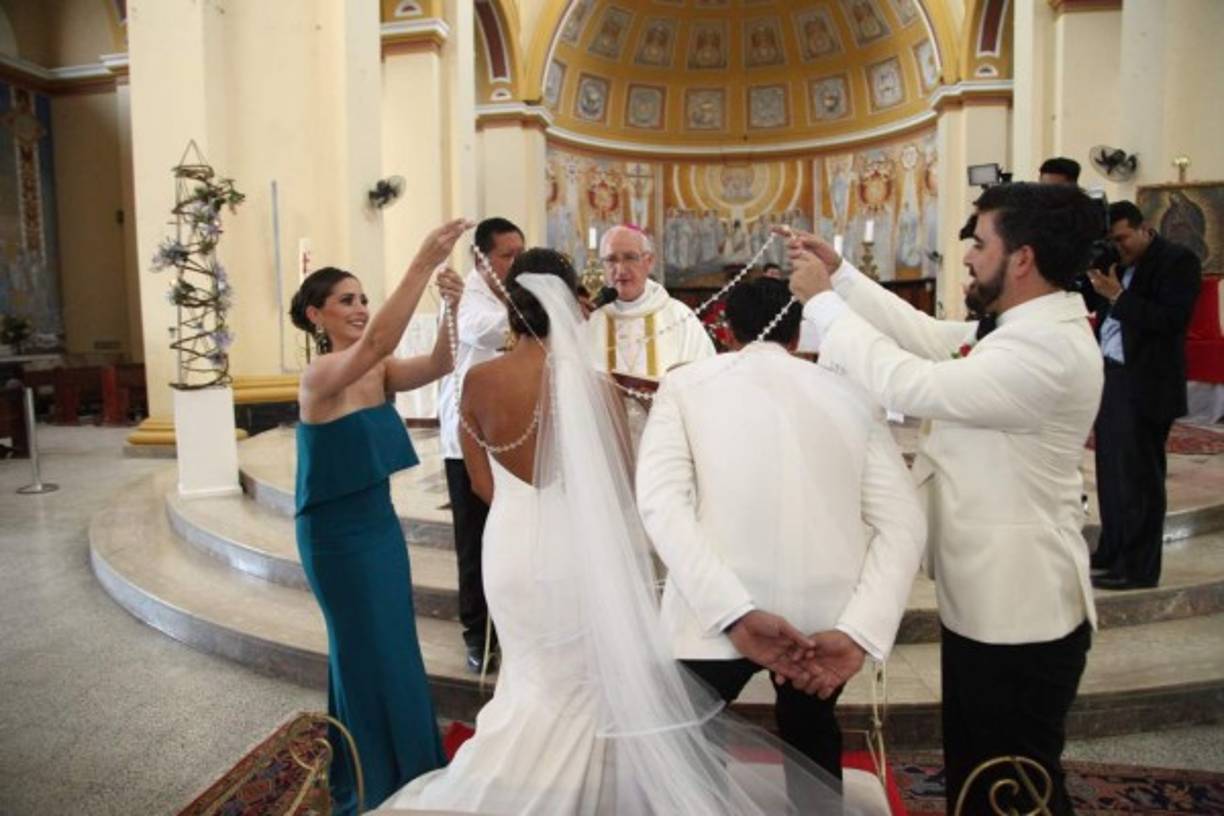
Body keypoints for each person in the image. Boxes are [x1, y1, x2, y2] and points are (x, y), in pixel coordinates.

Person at [383, 249, 846, 814]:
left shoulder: (478, 381)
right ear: (572, 301)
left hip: (507, 549)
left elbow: (480, 484)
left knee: (529, 674)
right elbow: (628, 488)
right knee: (583, 682)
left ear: (512, 304)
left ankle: (509, 780)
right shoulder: (595, 388)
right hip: (577, 553)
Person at [786, 182, 1104, 815]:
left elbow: (914, 381)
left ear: (1021, 258)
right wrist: (843, 275)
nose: (966, 256)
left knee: (1014, 787)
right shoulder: (1021, 328)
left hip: (1021, 609)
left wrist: (823, 306)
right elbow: (929, 336)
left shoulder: (1045, 349)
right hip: (992, 599)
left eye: (979, 243)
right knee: (980, 775)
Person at [636, 277, 926, 782]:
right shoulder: (853, 395)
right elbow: (903, 522)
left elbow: (662, 504)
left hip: (712, 613)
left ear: (726, 329)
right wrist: (859, 631)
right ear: (798, 334)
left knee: (694, 753)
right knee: (811, 734)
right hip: (823, 623)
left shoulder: (685, 386)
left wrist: (734, 613)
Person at [290, 218, 471, 815]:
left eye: (364, 298)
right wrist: (421, 262)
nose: (361, 308)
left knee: (394, 644)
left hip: (379, 527)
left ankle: (405, 760)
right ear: (316, 315)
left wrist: (450, 305)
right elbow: (375, 344)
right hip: (335, 538)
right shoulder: (320, 376)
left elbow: (443, 361)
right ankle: (369, 772)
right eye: (346, 300)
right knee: (361, 648)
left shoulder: (380, 372)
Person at [1085, 201, 1202, 590]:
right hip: (1112, 376)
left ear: (1144, 228)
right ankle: (1112, 552)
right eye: (1111, 240)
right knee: (1112, 474)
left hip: (1147, 381)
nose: (1118, 247)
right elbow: (1095, 308)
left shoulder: (1177, 261)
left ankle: (1138, 568)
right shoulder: (1116, 266)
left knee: (1140, 481)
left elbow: (1171, 321)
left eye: (1122, 238)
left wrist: (1119, 295)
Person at [436, 216, 524, 673]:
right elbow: (491, 332)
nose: (515, 263)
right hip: (466, 440)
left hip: (510, 434)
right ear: (480, 259)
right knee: (474, 541)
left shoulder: (508, 295)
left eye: (519, 254)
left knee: (511, 535)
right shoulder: (466, 298)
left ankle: (513, 626)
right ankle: (478, 634)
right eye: (507, 255)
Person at [586, 224, 715, 380]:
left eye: (630, 258)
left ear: (649, 262)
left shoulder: (681, 318)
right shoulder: (589, 321)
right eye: (611, 260)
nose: (620, 269)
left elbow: (705, 379)